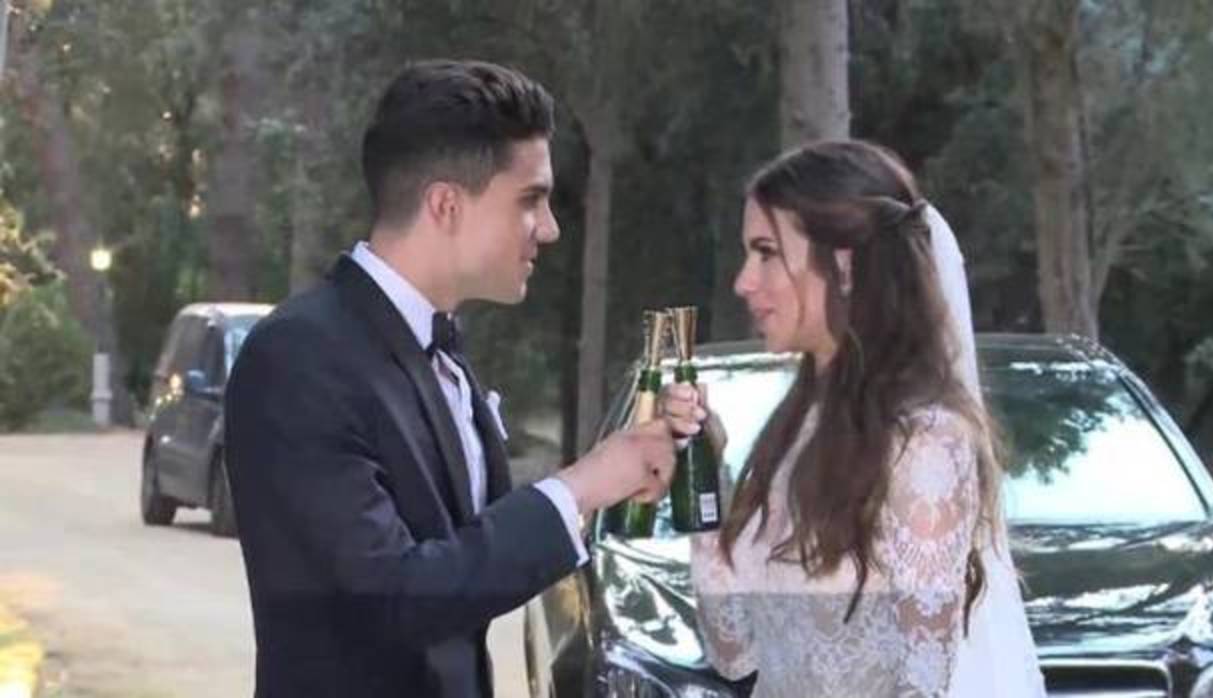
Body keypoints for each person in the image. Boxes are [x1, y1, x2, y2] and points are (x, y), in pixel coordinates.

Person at [224, 60, 677, 698]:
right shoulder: (298, 357)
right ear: (445, 205)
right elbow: (390, 599)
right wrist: (578, 486)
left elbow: (470, 561)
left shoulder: (438, 348)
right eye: (531, 199)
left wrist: (624, 479)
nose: (549, 228)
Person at [661, 140, 1046, 696]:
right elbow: (734, 651)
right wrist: (703, 465)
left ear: (843, 266)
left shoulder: (925, 442)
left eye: (766, 252)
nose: (744, 281)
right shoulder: (795, 431)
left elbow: (923, 683)